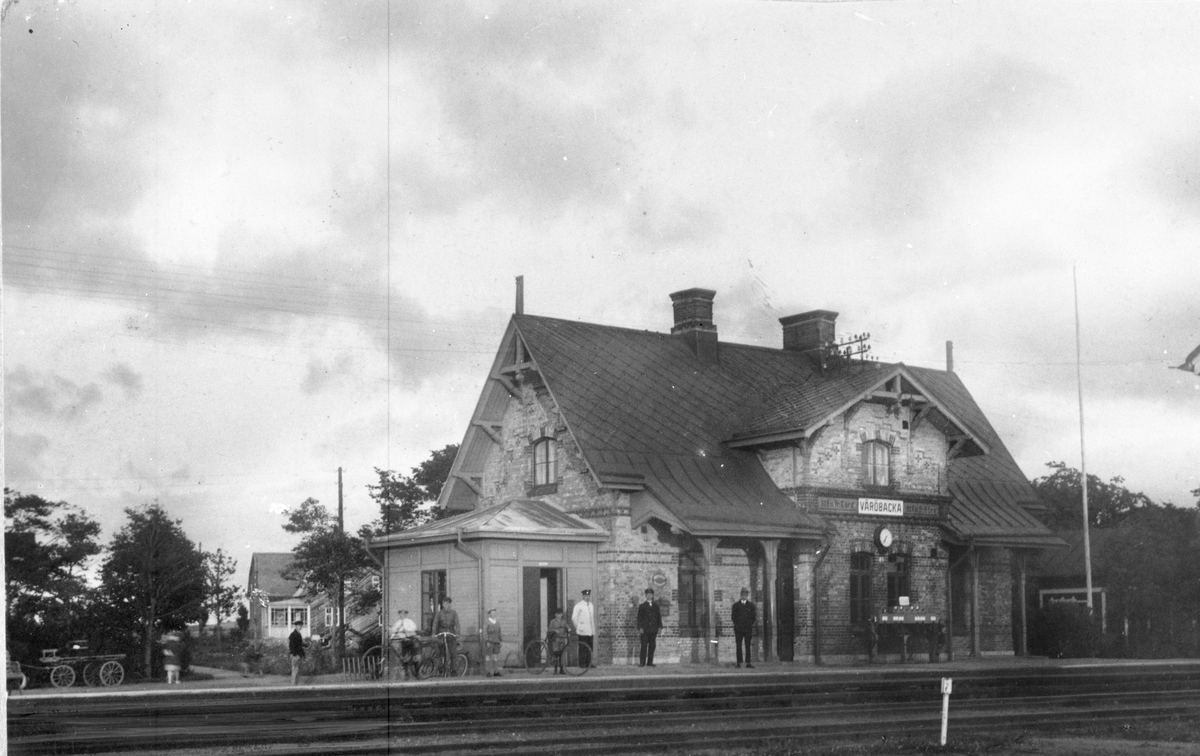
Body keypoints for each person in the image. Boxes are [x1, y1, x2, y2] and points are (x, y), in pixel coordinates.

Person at [389, 608, 419, 679]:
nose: (402, 615)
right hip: (402, 640)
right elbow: (393, 630)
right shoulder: (398, 622)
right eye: (401, 613)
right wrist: (392, 632)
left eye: (404, 613)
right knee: (403, 657)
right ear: (399, 614)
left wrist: (406, 630)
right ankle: (406, 674)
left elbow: (414, 628)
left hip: (410, 639)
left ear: (406, 614)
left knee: (413, 657)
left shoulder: (409, 621)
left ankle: (416, 673)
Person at [431, 596, 461, 665]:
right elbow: (435, 623)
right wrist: (433, 633)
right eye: (445, 603)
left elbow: (457, 623)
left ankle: (454, 668)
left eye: (449, 603)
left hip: (451, 632)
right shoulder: (439, 613)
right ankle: (440, 666)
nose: (447, 605)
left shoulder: (454, 613)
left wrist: (458, 633)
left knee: (453, 652)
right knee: (439, 651)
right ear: (443, 604)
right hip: (441, 633)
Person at [637, 588, 662, 668]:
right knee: (644, 646)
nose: (649, 596)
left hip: (653, 630)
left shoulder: (656, 606)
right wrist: (640, 628)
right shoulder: (642, 606)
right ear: (645, 595)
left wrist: (660, 627)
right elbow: (639, 618)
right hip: (645, 630)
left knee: (652, 646)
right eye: (648, 594)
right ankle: (642, 662)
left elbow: (659, 617)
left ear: (652, 595)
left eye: (650, 594)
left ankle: (650, 662)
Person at [571, 589, 596, 668]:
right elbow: (574, 618)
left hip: (590, 630)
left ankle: (589, 663)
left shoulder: (591, 605)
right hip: (582, 630)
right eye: (586, 596)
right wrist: (578, 627)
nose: (587, 597)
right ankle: (582, 663)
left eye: (588, 596)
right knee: (582, 647)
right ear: (583, 596)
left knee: (590, 647)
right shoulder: (579, 606)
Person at [732, 588, 757, 669]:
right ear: (740, 595)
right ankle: (739, 662)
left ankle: (748, 662)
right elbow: (733, 617)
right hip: (739, 629)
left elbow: (753, 617)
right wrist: (738, 624)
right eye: (743, 594)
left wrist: (749, 624)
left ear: (747, 596)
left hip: (747, 629)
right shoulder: (736, 605)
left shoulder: (751, 605)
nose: (744, 596)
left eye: (745, 595)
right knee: (738, 645)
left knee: (748, 645)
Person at [547, 608, 570, 675]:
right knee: (556, 654)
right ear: (555, 615)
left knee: (561, 654)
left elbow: (567, 627)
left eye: (560, 614)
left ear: (562, 614)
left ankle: (561, 669)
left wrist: (569, 629)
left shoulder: (564, 621)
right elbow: (549, 629)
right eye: (557, 614)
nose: (559, 615)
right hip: (556, 639)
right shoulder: (553, 621)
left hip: (562, 638)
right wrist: (554, 630)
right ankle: (555, 669)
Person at [483, 608, 503, 677]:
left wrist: (501, 640)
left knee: (496, 656)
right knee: (488, 656)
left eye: (494, 613)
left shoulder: (497, 622)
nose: (493, 614)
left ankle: (496, 671)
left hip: (496, 641)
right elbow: (485, 632)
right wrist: (487, 641)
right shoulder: (487, 622)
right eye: (492, 613)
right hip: (490, 642)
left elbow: (499, 631)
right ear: (490, 614)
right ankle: (488, 672)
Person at [288, 619, 306, 685]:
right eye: (299, 626)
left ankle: (295, 686)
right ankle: (293, 686)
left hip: (298, 655)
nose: (300, 627)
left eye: (301, 626)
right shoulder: (293, 635)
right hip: (295, 655)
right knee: (295, 671)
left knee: (297, 671)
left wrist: (305, 645)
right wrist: (294, 654)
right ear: (295, 626)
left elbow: (300, 644)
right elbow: (291, 646)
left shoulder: (298, 634)